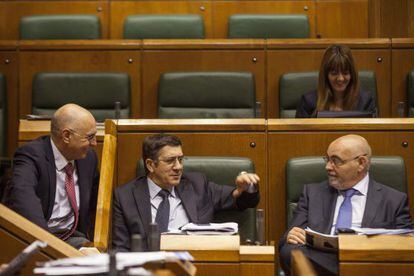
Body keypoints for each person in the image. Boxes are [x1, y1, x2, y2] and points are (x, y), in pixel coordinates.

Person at [279, 134, 412, 275]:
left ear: (361, 163)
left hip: (368, 259)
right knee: (291, 252)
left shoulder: (394, 200)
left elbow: (407, 246)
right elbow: (289, 240)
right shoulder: (312, 193)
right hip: (322, 257)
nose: (327, 167)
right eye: (327, 159)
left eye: (336, 161)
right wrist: (291, 235)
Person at [112, 133, 260, 252]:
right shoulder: (125, 196)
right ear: (150, 165)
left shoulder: (197, 185)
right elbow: (121, 250)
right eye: (170, 161)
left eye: (180, 159)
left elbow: (243, 201)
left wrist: (247, 188)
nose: (178, 167)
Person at [7, 104, 99, 249]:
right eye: (90, 137)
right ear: (67, 136)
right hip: (39, 239)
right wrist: (52, 250)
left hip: (74, 238)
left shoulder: (88, 159)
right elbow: (25, 206)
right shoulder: (31, 156)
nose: (94, 143)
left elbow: (95, 207)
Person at [296, 44, 377, 118]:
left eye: (345, 73)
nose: (340, 78)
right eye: (334, 73)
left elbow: (374, 133)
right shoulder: (308, 102)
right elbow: (299, 134)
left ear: (352, 74)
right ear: (325, 75)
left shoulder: (366, 101)